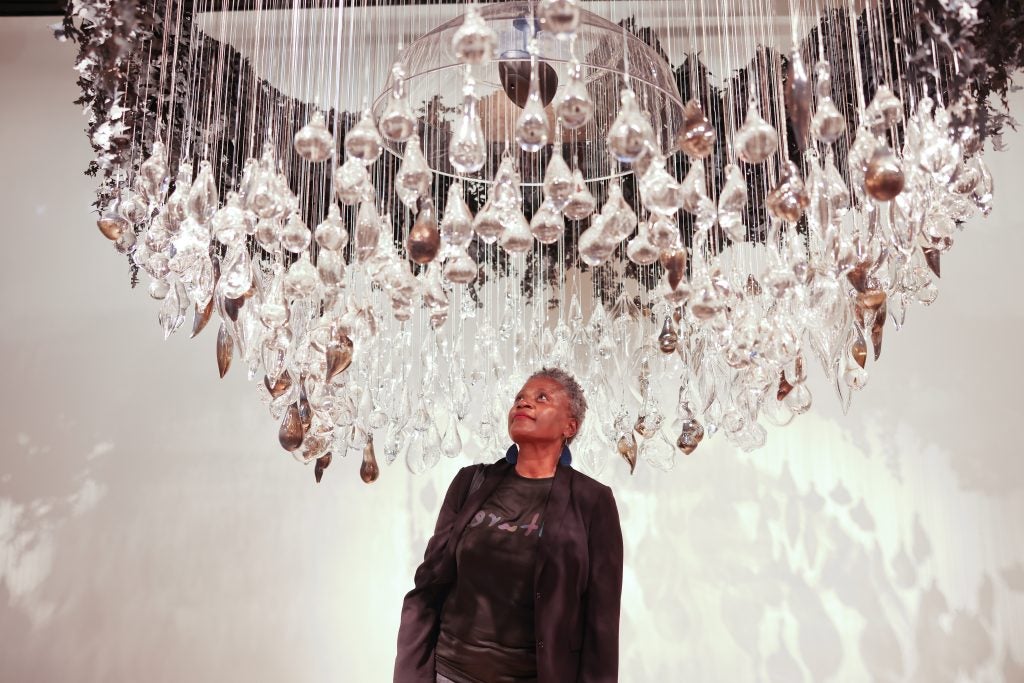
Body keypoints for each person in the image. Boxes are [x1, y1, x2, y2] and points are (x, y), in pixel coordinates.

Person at [394, 367, 624, 683]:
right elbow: (428, 587)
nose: (523, 404)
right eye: (519, 398)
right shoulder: (470, 483)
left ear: (570, 425)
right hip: (450, 674)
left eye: (541, 397)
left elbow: (602, 622)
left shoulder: (592, 501)